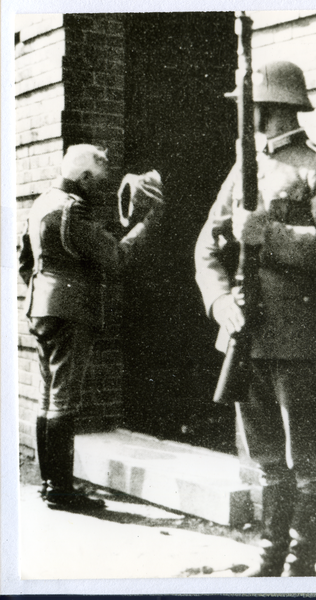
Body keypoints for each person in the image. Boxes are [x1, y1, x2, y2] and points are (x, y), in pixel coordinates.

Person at [195, 61, 316, 577]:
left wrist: (274, 236)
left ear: (268, 108)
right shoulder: (243, 169)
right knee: (268, 457)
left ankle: (301, 563)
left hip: (298, 335)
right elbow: (207, 244)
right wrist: (219, 300)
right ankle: (270, 558)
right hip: (246, 332)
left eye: (248, 108)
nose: (243, 118)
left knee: (309, 456)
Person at [19, 144, 163, 511]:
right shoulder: (73, 209)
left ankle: (49, 482)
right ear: (83, 177)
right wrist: (148, 224)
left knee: (48, 396)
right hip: (70, 311)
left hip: (41, 308)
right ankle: (62, 491)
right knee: (65, 398)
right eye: (99, 177)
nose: (102, 184)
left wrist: (46, 292)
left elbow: (25, 261)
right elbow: (115, 257)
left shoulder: (42, 203)